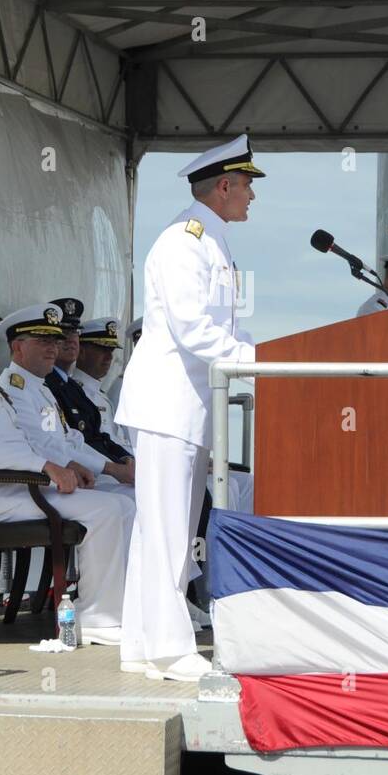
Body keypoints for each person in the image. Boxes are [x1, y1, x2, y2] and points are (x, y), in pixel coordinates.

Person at [115, 134, 262, 681]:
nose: (252, 196)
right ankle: (170, 647)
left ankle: (140, 644)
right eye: (246, 185)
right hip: (167, 405)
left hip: (187, 406)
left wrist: (261, 354)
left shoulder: (212, 242)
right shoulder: (184, 241)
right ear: (223, 186)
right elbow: (194, 329)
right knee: (168, 528)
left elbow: (223, 326)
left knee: (164, 528)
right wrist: (254, 360)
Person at [0, 288, 129, 642]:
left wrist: (55, 464)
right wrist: (45, 467)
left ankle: (114, 609)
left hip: (16, 485)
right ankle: (97, 616)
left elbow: (26, 440)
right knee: (109, 509)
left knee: (121, 504)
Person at [0, 304, 135, 496]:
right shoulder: (14, 389)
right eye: (44, 341)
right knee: (126, 504)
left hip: (69, 475)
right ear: (18, 347)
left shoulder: (40, 388)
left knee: (133, 500)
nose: (53, 349)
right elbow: (43, 443)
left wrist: (110, 466)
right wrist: (109, 468)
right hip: (44, 483)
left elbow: (70, 438)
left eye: (54, 342)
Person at [47, 299, 132, 465]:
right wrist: (112, 468)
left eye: (74, 333)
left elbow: (101, 439)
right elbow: (53, 442)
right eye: (62, 334)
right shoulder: (49, 387)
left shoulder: (73, 389)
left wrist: (126, 459)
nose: (109, 357)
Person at [71, 317, 134, 457]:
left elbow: (118, 440)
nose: (109, 357)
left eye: (111, 350)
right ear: (81, 352)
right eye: (102, 349)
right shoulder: (71, 393)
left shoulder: (102, 397)